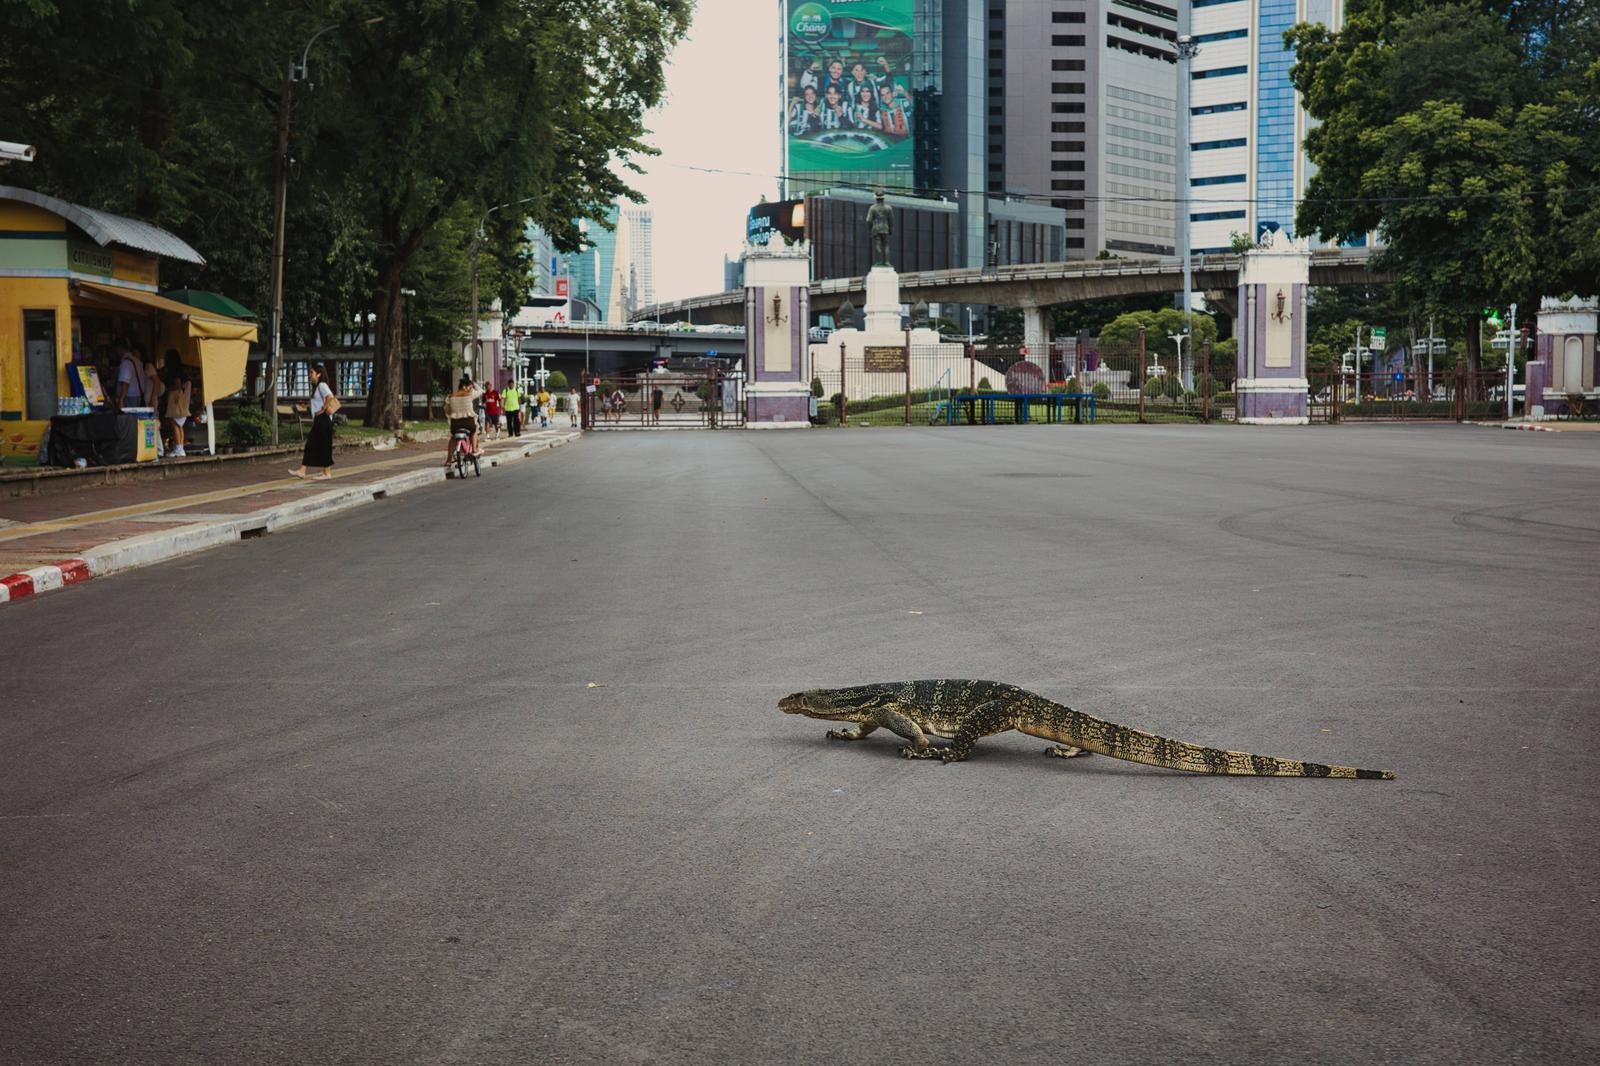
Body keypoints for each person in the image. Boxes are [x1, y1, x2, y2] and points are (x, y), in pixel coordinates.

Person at [288, 362, 336, 480]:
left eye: (311, 373)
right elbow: (320, 401)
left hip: (323, 419)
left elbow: (330, 397)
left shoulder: (322, 385)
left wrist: (322, 410)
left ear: (318, 374)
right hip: (321, 420)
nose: (310, 375)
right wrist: (307, 406)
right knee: (319, 445)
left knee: (313, 444)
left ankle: (311, 471)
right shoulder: (318, 387)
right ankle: (322, 472)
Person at [442, 374, 483, 467]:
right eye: (469, 387)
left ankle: (448, 460)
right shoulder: (470, 394)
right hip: (468, 423)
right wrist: (474, 383)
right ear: (465, 387)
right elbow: (480, 391)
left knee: (453, 439)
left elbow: (447, 410)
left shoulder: (451, 397)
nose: (470, 389)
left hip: (455, 424)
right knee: (474, 430)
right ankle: (474, 450)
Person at [162, 362, 192, 458]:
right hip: (182, 402)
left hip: (175, 402)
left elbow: (178, 386)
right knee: (180, 425)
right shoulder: (182, 372)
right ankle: (180, 448)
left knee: (175, 424)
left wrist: (167, 389)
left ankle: (178, 448)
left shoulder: (174, 373)